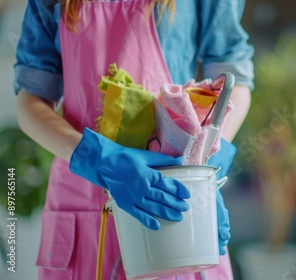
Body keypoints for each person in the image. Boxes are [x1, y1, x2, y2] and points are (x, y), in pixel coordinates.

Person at [14, 0, 253, 279]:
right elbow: (30, 102)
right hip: (80, 201)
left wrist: (202, 168)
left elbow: (235, 80)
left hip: (172, 191)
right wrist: (99, 159)